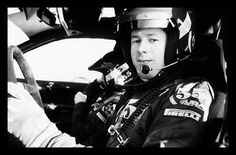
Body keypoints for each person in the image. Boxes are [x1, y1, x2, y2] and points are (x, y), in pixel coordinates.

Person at [8, 7, 217, 147]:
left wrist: (42, 136)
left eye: (152, 40)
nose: (141, 50)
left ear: (176, 46)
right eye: (136, 41)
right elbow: (99, 140)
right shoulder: (137, 90)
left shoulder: (187, 93)